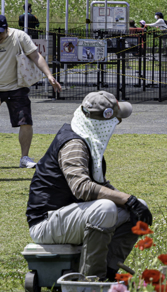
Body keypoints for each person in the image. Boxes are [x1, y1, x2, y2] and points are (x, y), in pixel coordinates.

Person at [26, 91, 151, 281]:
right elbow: (82, 188)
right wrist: (127, 199)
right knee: (105, 208)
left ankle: (109, 270)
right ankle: (92, 279)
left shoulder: (86, 137)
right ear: (104, 121)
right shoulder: (74, 144)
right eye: (116, 118)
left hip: (69, 215)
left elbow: (100, 185)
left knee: (136, 209)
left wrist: (133, 203)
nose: (119, 123)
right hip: (46, 222)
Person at [0, 14, 62, 168]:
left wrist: (49, 75)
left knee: (26, 122)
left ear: (6, 28)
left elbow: (36, 56)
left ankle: (25, 158)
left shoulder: (19, 36)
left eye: (0, 32)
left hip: (17, 87)